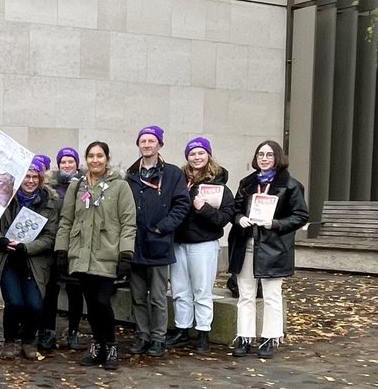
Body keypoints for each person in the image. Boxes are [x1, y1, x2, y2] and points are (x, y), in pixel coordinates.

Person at [55, 141, 136, 371]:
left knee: (102, 301)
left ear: (107, 159)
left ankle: (110, 345)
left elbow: (128, 223)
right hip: (82, 254)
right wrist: (62, 250)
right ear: (86, 159)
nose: (95, 160)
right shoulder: (77, 186)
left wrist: (126, 254)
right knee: (91, 303)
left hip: (107, 252)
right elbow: (67, 220)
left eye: (100, 156)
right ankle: (97, 344)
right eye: (91, 156)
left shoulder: (120, 187)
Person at [228, 140, 309, 359]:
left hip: (273, 247)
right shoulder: (246, 183)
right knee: (245, 294)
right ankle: (244, 337)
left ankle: (270, 338)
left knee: (272, 296)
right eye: (260, 155)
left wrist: (275, 224)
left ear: (278, 158)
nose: (264, 159)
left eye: (269, 155)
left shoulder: (291, 185)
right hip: (246, 244)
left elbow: (301, 216)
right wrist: (240, 218)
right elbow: (234, 210)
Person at [124, 126, 190, 358]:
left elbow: (182, 204)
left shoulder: (172, 174)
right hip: (135, 243)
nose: (147, 144)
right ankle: (142, 335)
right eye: (143, 140)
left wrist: (164, 226)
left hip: (159, 243)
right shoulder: (130, 173)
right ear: (138, 144)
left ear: (159, 145)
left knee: (159, 297)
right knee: (137, 295)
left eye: (151, 140)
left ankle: (158, 338)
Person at [0, 155, 61, 362]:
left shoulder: (50, 203)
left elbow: (50, 236)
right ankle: (10, 341)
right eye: (26, 176)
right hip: (6, 259)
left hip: (33, 261)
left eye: (34, 177)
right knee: (15, 304)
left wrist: (27, 248)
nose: (30, 181)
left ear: (41, 179)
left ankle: (29, 341)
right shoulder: (4, 198)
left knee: (36, 305)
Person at [167, 137, 234, 352]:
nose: (196, 157)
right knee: (179, 290)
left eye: (200, 153)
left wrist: (202, 208)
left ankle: (204, 331)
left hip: (203, 244)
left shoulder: (219, 187)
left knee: (201, 289)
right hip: (179, 242)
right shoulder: (179, 181)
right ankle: (182, 328)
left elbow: (223, 218)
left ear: (208, 155)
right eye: (192, 153)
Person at [39, 147, 84, 351]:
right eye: (63, 162)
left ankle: (73, 332)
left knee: (75, 291)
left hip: (75, 245)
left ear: (76, 163)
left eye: (70, 161)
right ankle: (49, 331)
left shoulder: (84, 185)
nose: (67, 165)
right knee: (51, 291)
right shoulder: (50, 187)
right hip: (53, 246)